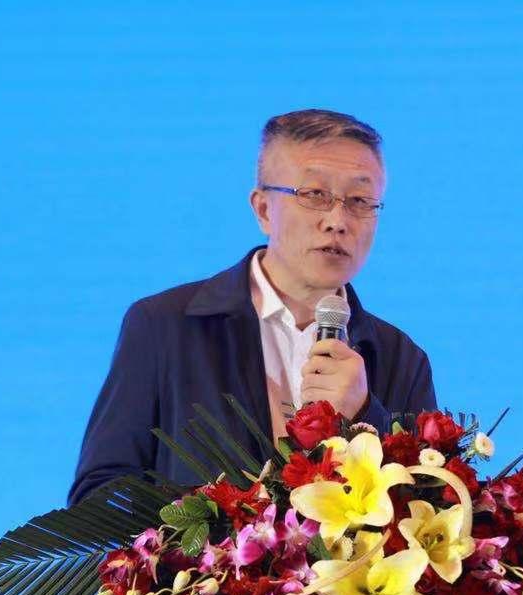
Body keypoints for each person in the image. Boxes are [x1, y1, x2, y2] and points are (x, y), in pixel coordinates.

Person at [67, 108, 438, 507]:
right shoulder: (165, 326)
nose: (337, 220)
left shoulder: (401, 357)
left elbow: (434, 512)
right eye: (315, 195)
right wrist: (203, 532)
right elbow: (99, 496)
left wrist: (365, 415)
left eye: (360, 200)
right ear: (263, 210)